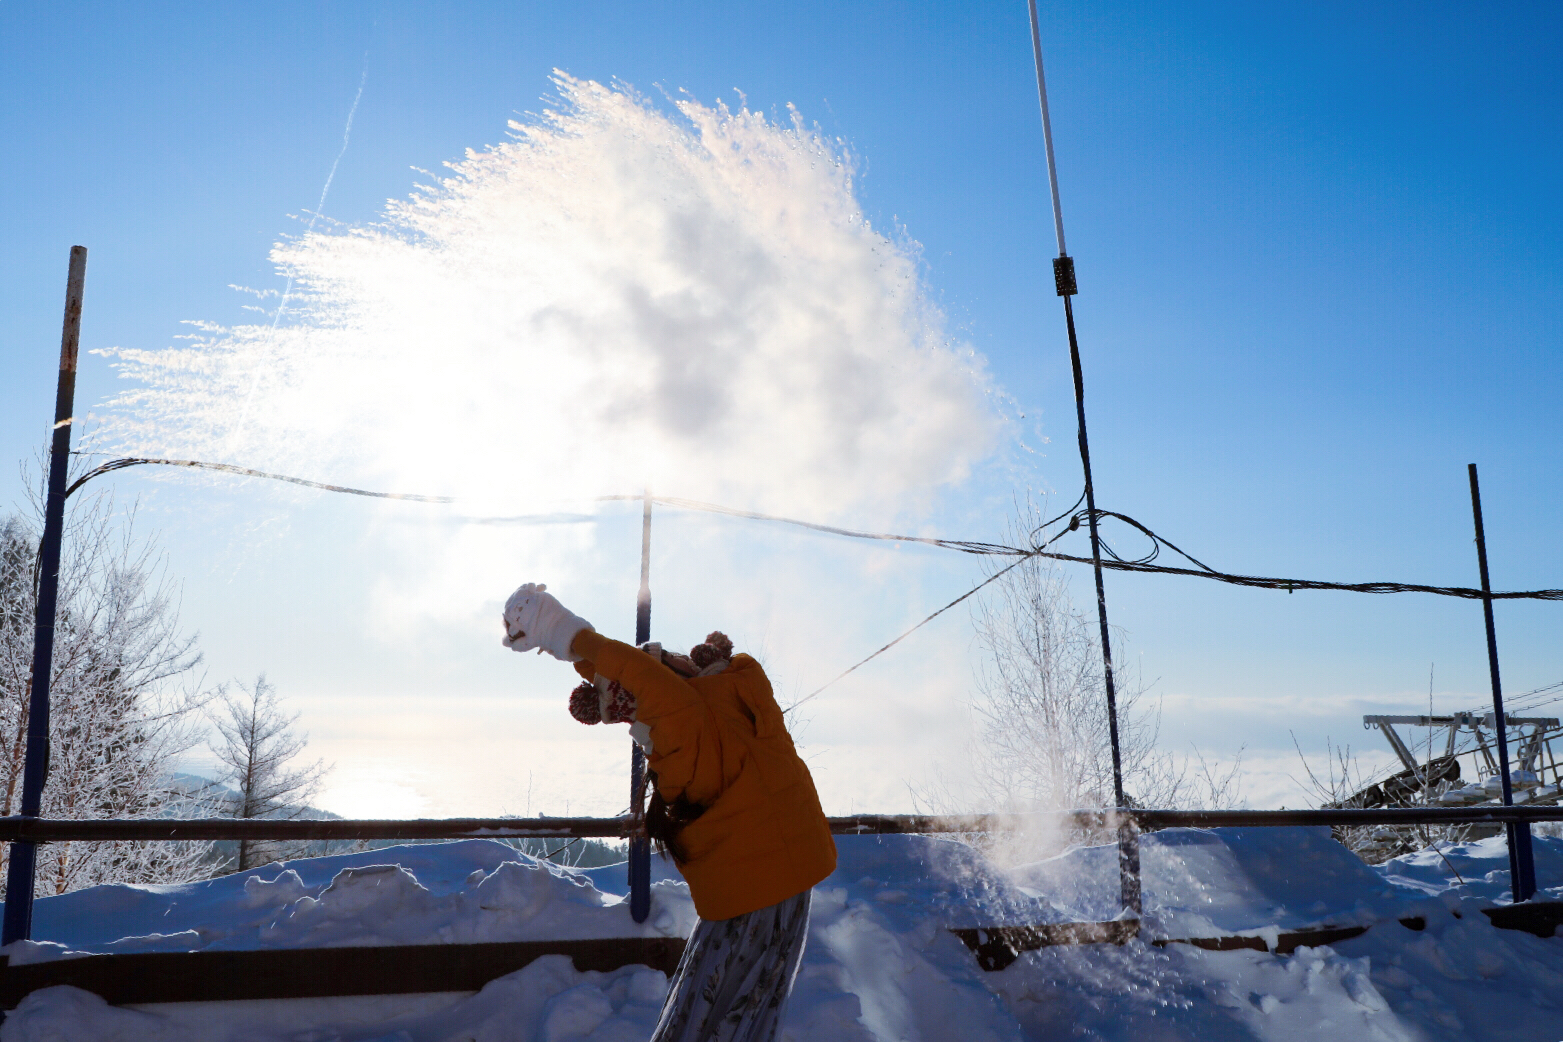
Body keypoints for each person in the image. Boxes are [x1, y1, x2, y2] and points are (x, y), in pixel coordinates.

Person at [501, 583, 837, 1042]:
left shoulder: (699, 709)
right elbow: (647, 679)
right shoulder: (709, 707)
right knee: (738, 1012)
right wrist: (572, 642)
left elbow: (645, 676)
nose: (676, 660)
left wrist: (571, 642)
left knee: (716, 1016)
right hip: (777, 877)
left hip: (759, 886)